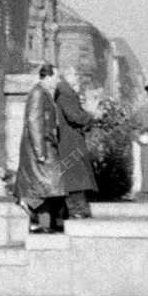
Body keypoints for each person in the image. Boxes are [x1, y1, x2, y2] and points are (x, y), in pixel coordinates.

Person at [14, 65, 66, 233]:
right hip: (40, 148)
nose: (58, 81)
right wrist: (40, 152)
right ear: (48, 76)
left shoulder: (43, 92)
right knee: (44, 187)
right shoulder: (38, 93)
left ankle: (44, 223)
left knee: (46, 188)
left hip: (45, 145)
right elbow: (34, 122)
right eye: (57, 77)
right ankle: (39, 221)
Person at [54, 66, 98, 219]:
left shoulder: (65, 92)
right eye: (75, 74)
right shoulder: (66, 93)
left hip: (70, 139)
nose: (77, 77)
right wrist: (91, 115)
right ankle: (77, 210)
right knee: (75, 176)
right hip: (70, 140)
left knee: (75, 176)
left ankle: (78, 209)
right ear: (67, 75)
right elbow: (74, 116)